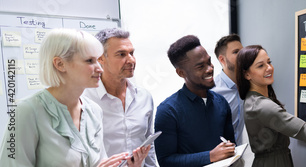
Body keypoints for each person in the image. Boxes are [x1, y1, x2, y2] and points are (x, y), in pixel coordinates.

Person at [0, 28, 149, 166]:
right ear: (60, 64)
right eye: (89, 61)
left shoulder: (93, 111)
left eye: (98, 60)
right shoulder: (26, 112)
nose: (99, 68)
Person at [155, 35, 236, 167]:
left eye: (209, 62)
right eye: (200, 67)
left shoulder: (221, 102)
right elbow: (166, 161)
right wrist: (210, 156)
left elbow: (231, 145)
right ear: (181, 73)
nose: (210, 69)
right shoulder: (167, 111)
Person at [82, 28, 158, 167]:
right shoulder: (84, 101)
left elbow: (148, 145)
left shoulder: (144, 97)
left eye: (132, 53)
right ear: (100, 58)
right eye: (121, 54)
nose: (131, 60)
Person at [211, 34, 245, 145]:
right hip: (219, 158)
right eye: (236, 52)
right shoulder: (212, 91)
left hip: (239, 154)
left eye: (243, 51)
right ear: (222, 59)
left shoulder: (249, 83)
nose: (242, 55)